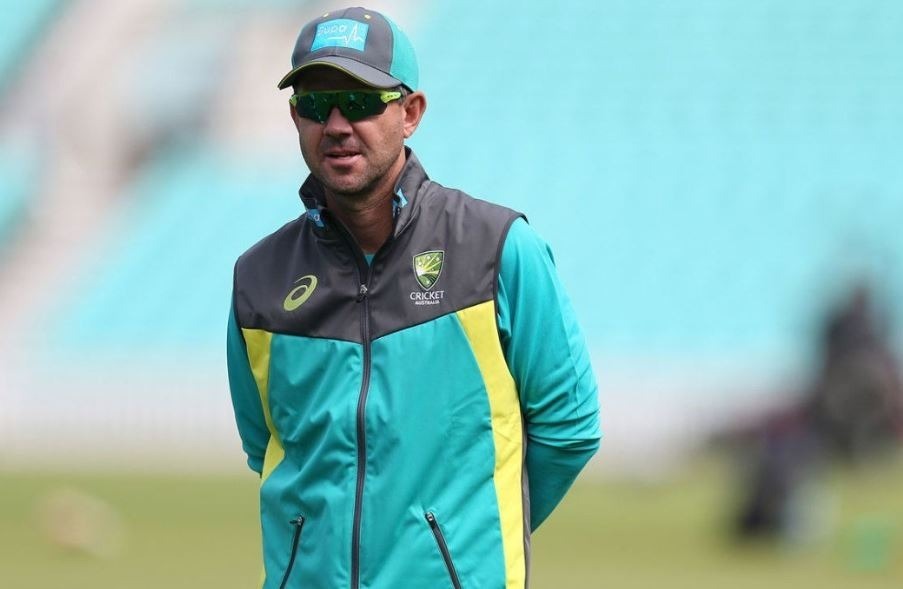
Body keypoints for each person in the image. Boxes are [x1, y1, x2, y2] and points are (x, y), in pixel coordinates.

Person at [226, 7, 601, 588]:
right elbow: (267, 445)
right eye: (316, 104)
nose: (336, 124)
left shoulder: (498, 249)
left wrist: (463, 546)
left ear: (410, 113)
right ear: (295, 116)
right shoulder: (259, 276)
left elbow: (569, 427)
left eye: (359, 101)